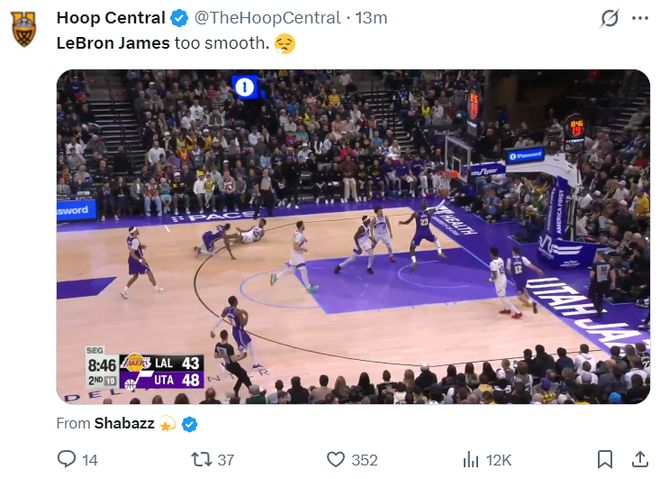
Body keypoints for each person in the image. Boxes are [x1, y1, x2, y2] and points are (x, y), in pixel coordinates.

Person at [210, 296, 265, 371]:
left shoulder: (226, 309)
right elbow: (244, 323)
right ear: (236, 302)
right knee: (243, 354)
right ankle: (225, 364)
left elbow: (220, 319)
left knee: (250, 343)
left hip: (236, 331)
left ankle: (255, 364)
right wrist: (246, 315)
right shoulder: (238, 311)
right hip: (239, 333)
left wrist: (213, 330)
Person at [270, 221, 319, 293]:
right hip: (297, 255)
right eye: (303, 225)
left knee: (292, 270)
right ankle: (308, 287)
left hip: (294, 254)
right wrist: (304, 249)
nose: (304, 226)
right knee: (303, 269)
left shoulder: (297, 232)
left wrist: (304, 239)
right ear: (301, 226)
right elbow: (295, 247)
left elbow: (297, 237)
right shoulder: (299, 235)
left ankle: (276, 277)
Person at [398, 199, 447, 270]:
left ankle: (414, 261)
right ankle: (439, 251)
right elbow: (438, 206)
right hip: (427, 232)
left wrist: (402, 222)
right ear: (426, 206)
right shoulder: (429, 212)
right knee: (436, 240)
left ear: (420, 206)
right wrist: (444, 199)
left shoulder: (415, 213)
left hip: (419, 233)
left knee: (412, 248)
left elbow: (408, 222)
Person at [120, 227, 164, 299]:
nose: (138, 230)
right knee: (148, 271)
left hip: (131, 260)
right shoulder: (135, 241)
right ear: (134, 232)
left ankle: (124, 290)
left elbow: (130, 248)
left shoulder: (129, 238)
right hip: (137, 259)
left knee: (135, 276)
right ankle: (156, 287)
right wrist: (140, 260)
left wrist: (140, 247)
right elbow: (132, 253)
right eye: (136, 229)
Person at [213, 329, 252, 395]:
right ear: (227, 336)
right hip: (233, 366)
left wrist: (225, 355)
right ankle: (251, 390)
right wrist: (243, 356)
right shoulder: (229, 347)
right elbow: (233, 360)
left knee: (242, 375)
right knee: (244, 376)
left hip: (227, 365)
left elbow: (216, 356)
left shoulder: (218, 345)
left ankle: (236, 390)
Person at [506, 246, 544, 313]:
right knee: (524, 288)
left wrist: (513, 275)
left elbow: (508, 270)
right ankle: (528, 301)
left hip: (517, 279)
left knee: (519, 296)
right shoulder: (523, 258)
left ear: (513, 252)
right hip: (524, 277)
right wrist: (538, 270)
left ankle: (531, 303)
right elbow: (531, 266)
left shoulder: (510, 260)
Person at [488, 247, 522, 319]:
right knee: (501, 296)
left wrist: (489, 280)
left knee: (503, 297)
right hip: (504, 279)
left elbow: (495, 276)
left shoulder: (492, 263)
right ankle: (507, 309)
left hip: (499, 282)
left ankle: (517, 312)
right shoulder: (501, 259)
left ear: (491, 254)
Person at [589, 251, 616, 317]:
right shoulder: (609, 264)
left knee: (591, 295)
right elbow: (613, 274)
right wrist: (613, 282)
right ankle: (599, 307)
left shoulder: (595, 264)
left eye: (596, 255)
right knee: (600, 296)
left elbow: (591, 275)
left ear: (599, 256)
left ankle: (598, 307)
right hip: (605, 283)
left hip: (596, 282)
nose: (595, 256)